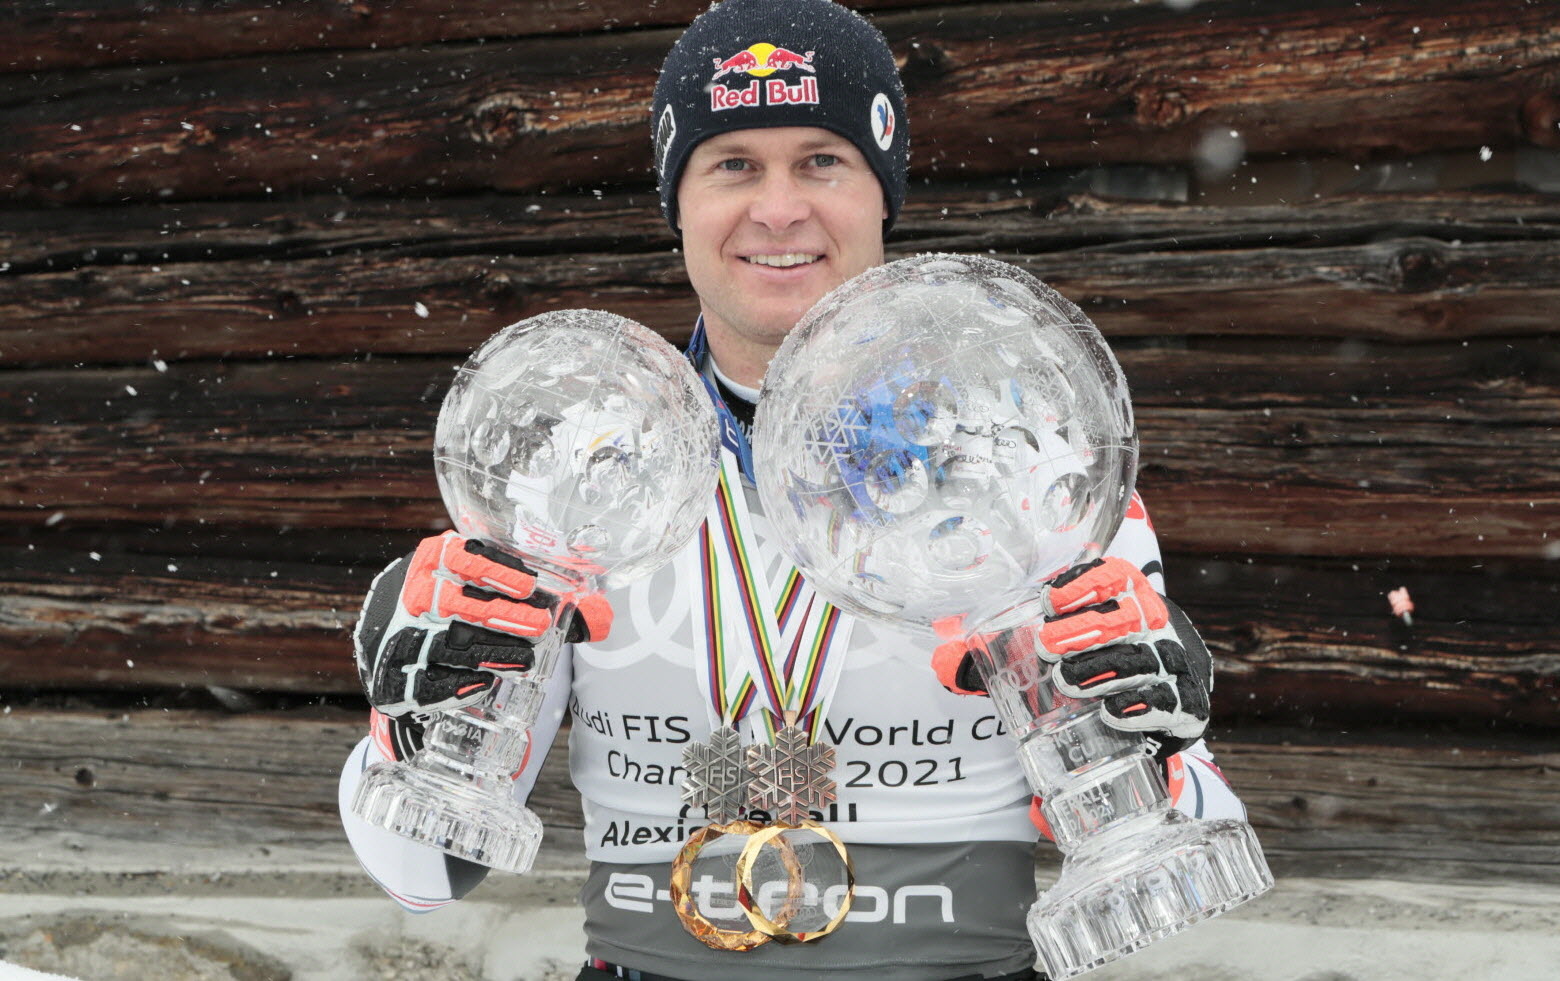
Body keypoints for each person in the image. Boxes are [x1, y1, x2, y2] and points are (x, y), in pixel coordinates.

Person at [339, 1, 1247, 978]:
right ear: (676, 202)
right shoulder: (572, 469)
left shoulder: (1029, 462)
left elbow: (1175, 839)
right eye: (733, 165)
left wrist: (1157, 734)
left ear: (880, 192)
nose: (778, 209)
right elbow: (422, 873)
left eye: (822, 160)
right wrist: (408, 725)